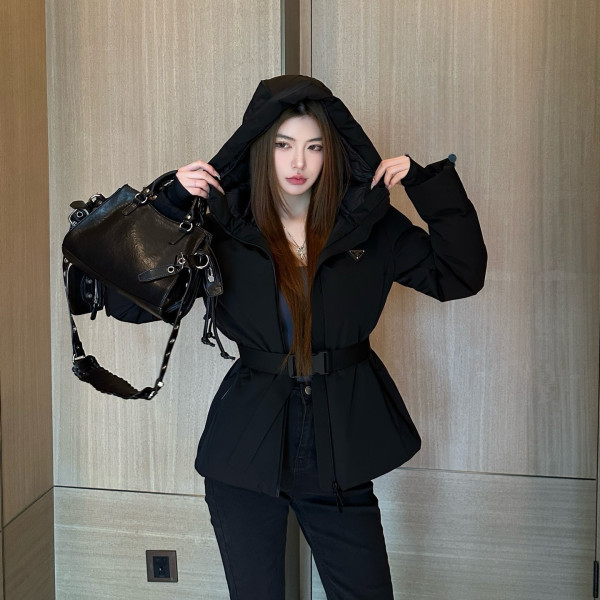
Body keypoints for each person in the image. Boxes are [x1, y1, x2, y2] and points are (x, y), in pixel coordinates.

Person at [106, 75, 487, 599]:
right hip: (245, 453)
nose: (298, 162)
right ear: (261, 150)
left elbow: (460, 275)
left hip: (339, 450)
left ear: (333, 152)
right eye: (284, 145)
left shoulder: (370, 226)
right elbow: (128, 305)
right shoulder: (222, 228)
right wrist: (169, 206)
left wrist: (426, 185)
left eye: (314, 146)